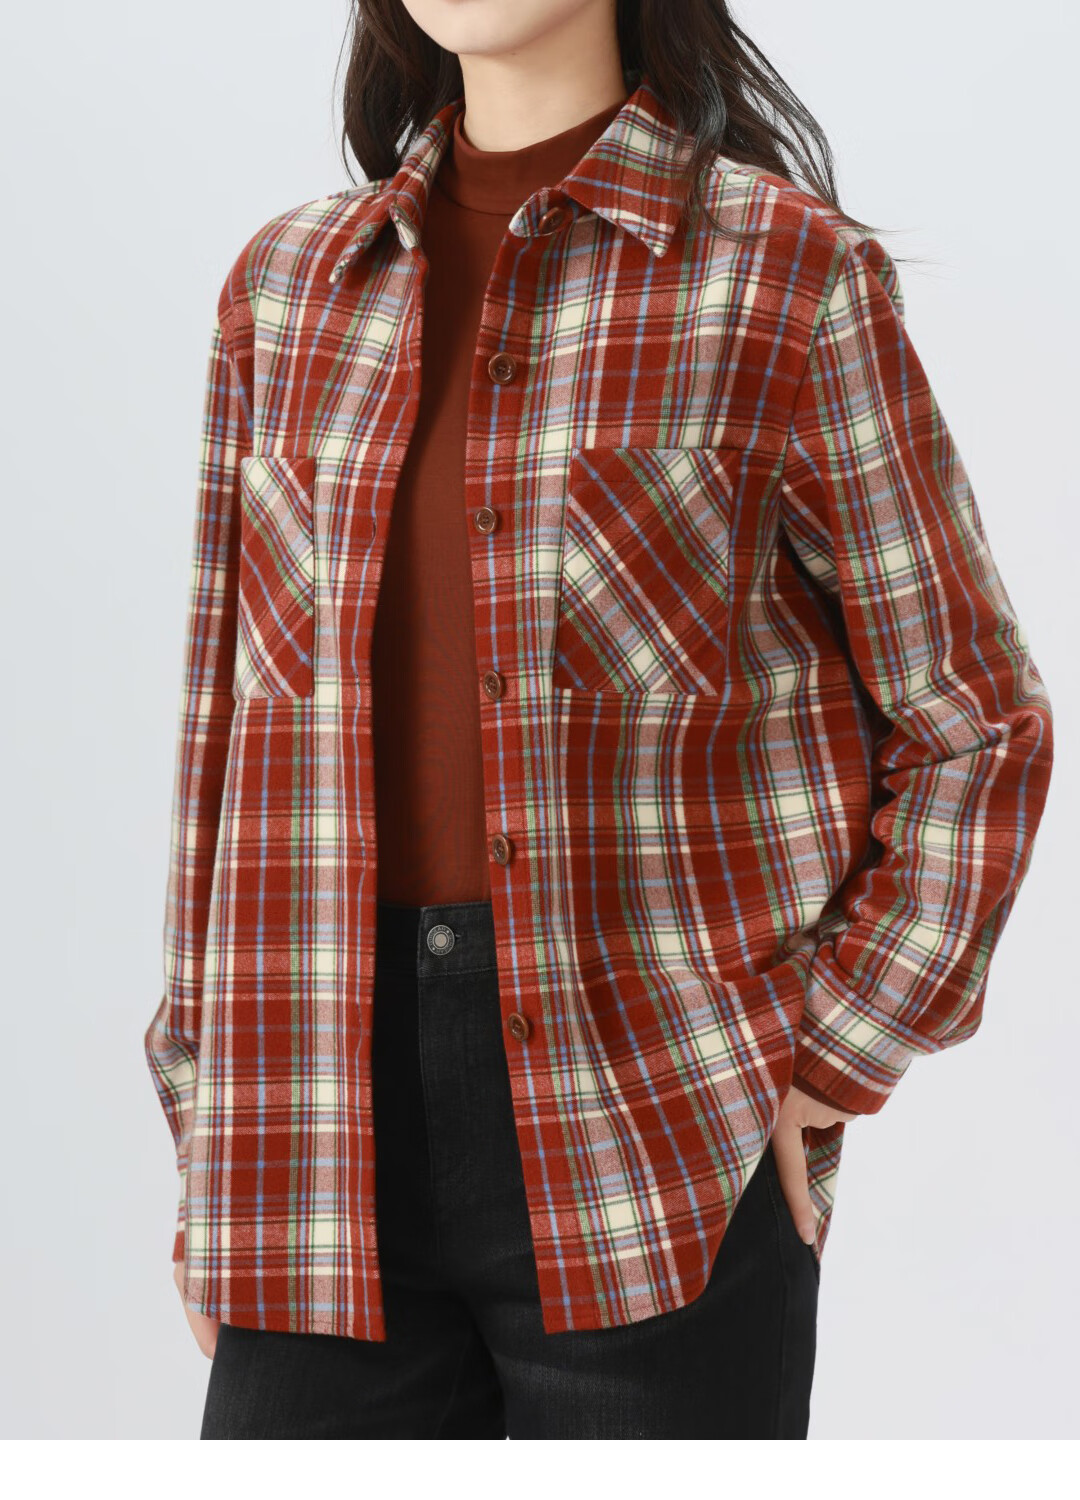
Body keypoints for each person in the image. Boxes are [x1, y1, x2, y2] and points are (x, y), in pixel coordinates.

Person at [143, 0, 1054, 1440]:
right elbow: (225, 746)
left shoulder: (785, 276)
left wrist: (830, 1059)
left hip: (656, 1142)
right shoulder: (288, 290)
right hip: (308, 1133)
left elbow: (975, 721)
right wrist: (208, 1124)